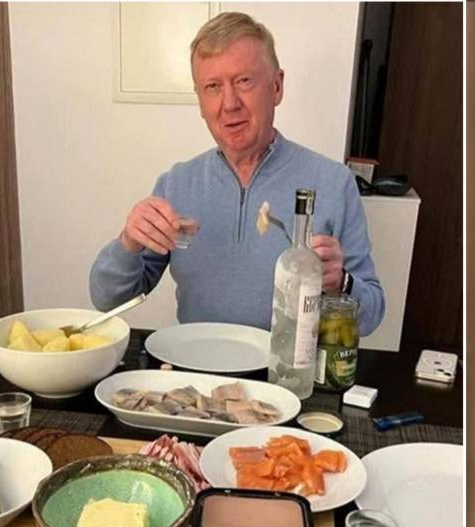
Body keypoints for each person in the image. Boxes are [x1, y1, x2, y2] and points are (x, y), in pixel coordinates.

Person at [90, 12, 384, 336]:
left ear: (276, 87)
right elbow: (108, 300)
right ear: (201, 103)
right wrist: (129, 242)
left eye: (243, 81)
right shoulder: (176, 185)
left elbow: (371, 316)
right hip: (195, 364)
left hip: (288, 366)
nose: (229, 103)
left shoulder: (334, 183)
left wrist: (341, 283)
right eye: (213, 87)